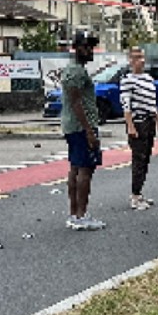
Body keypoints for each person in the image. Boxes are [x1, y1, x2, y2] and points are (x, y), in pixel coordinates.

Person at [61, 31, 105, 231]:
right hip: (80, 126)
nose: (90, 51)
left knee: (76, 168)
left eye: (92, 46)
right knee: (85, 169)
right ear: (77, 48)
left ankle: (74, 213)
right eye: (86, 46)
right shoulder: (76, 71)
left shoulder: (74, 69)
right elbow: (76, 101)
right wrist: (88, 130)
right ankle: (81, 215)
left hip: (73, 126)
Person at [120, 46, 158, 210]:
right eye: (136, 57)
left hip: (149, 121)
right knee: (138, 159)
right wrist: (130, 126)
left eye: (142, 56)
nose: (140, 60)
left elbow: (152, 102)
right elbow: (126, 105)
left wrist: (157, 119)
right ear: (130, 60)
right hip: (138, 122)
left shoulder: (148, 79)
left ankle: (139, 192)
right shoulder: (127, 80)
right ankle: (135, 196)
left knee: (146, 159)